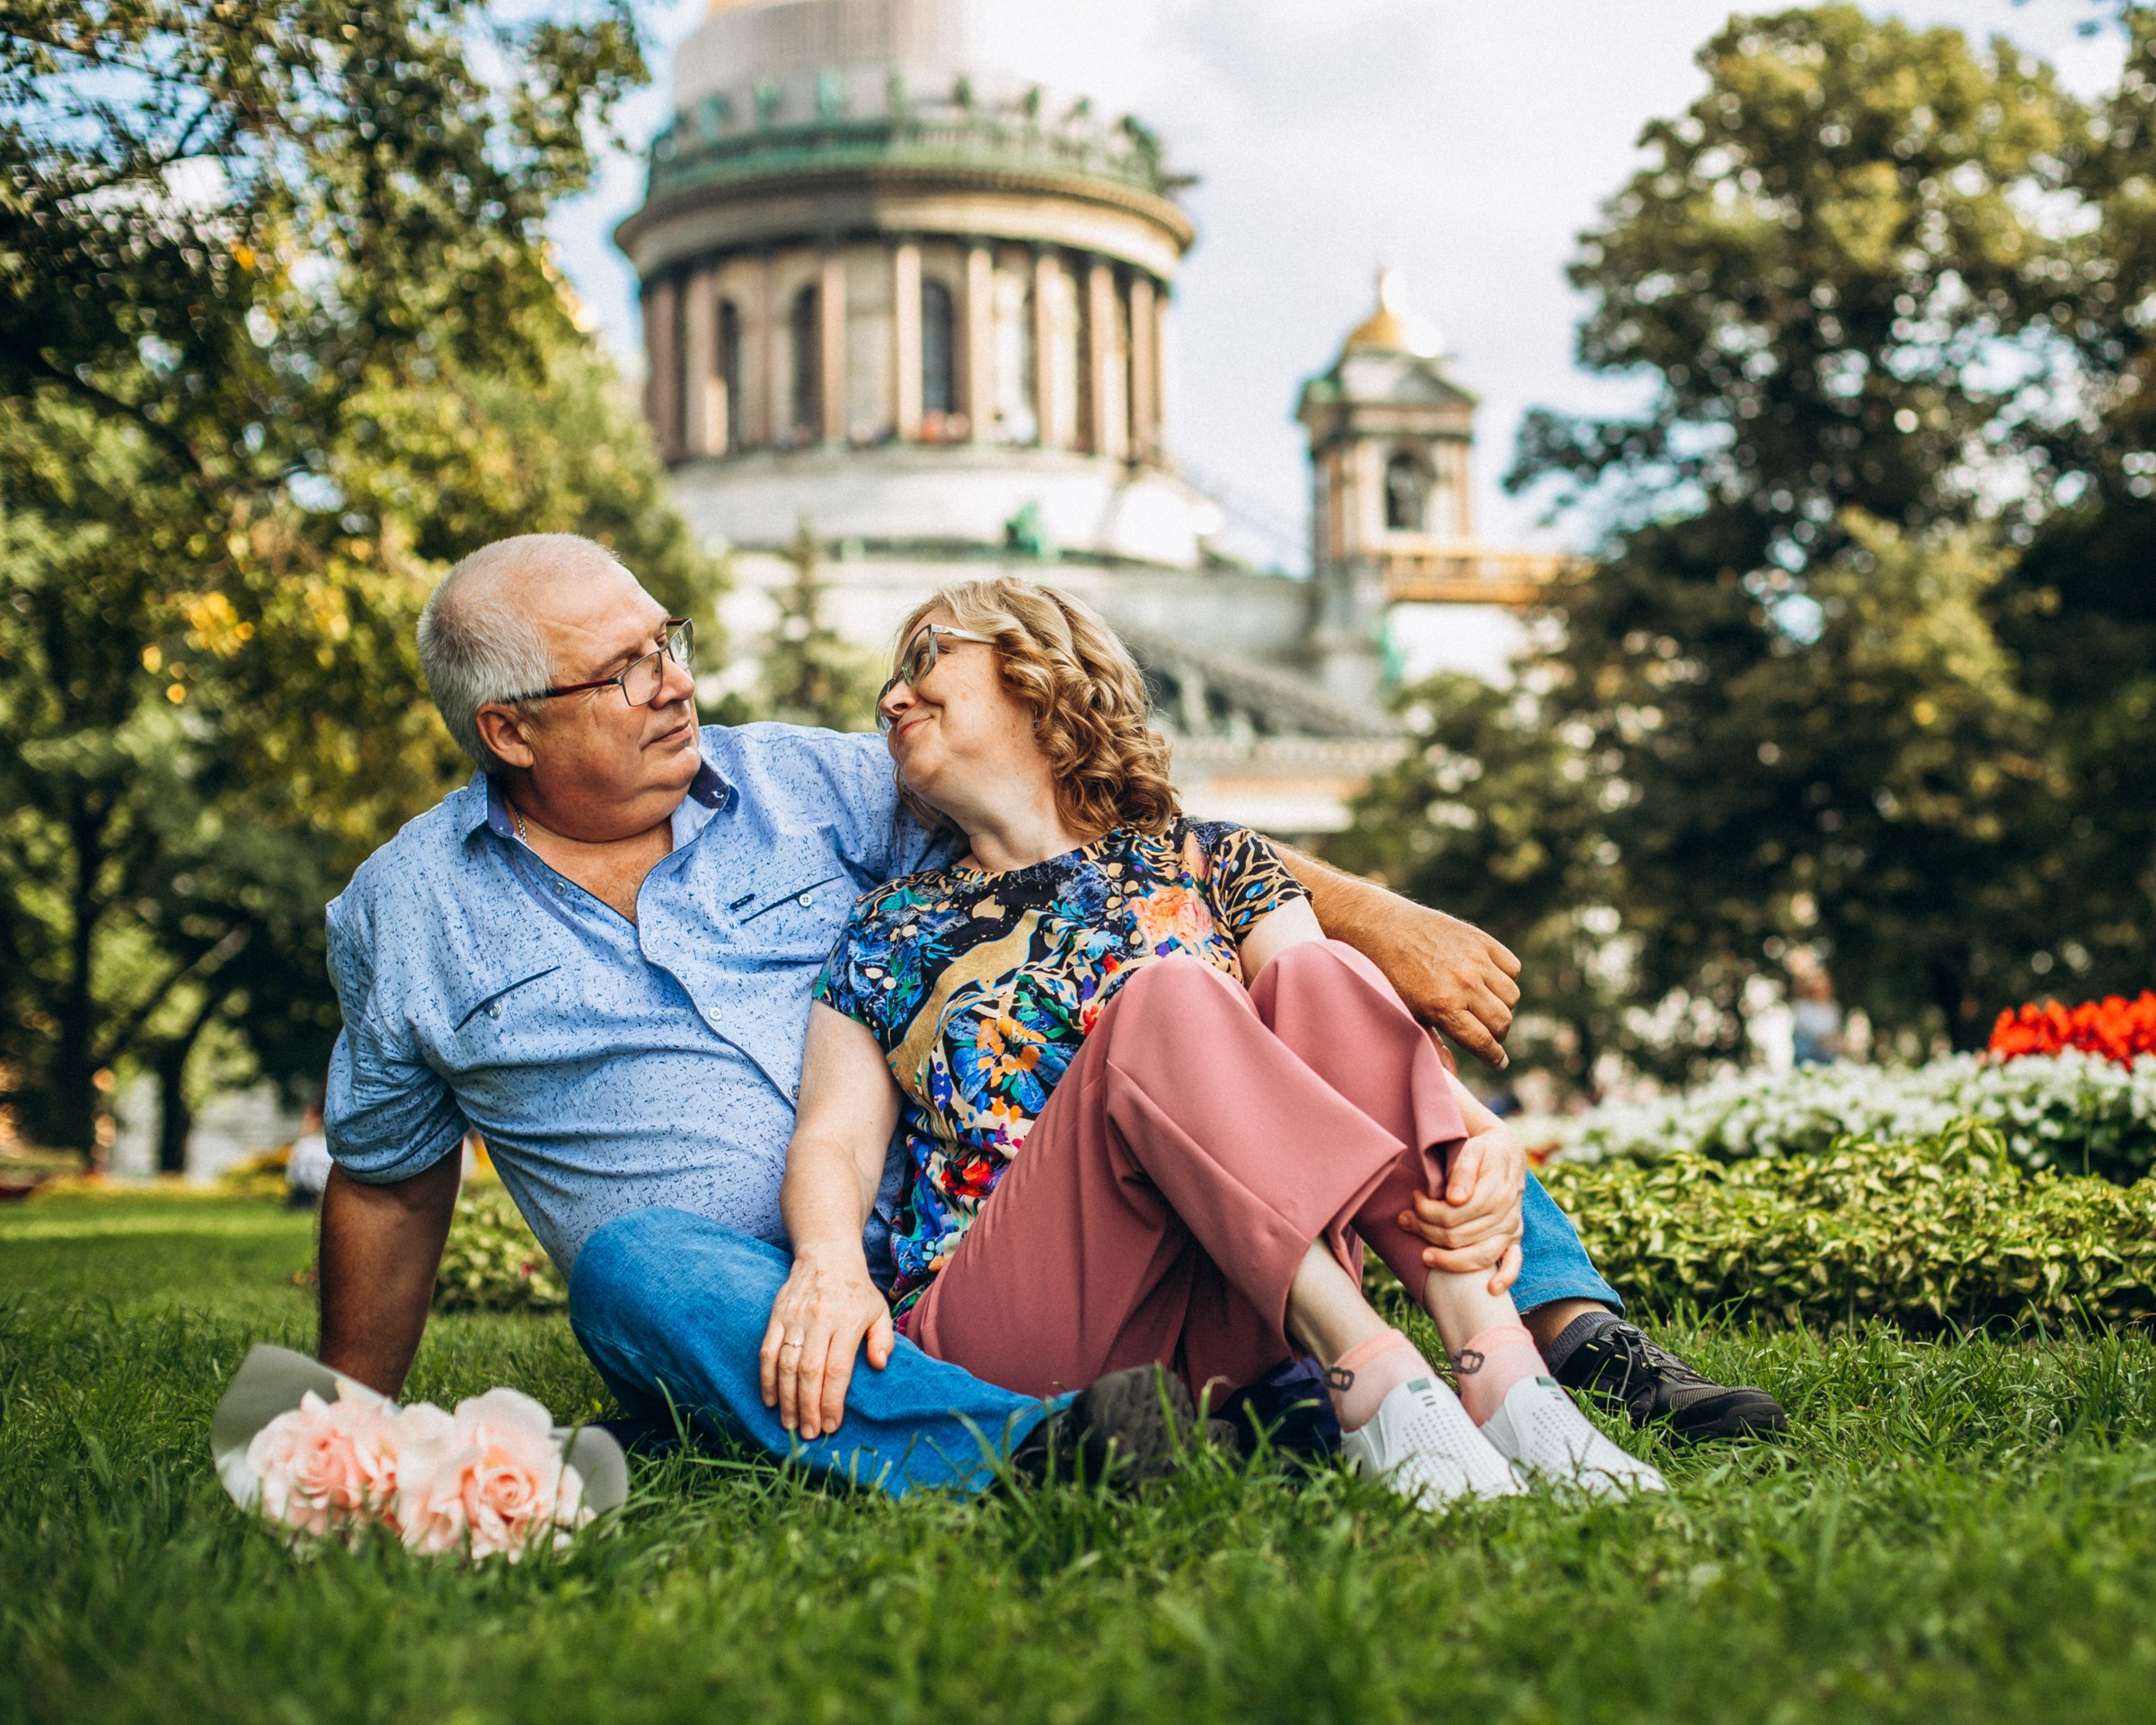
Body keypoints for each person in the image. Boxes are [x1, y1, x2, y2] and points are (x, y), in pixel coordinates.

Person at [315, 534, 1780, 1499]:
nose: (675, 681)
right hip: (751, 1288)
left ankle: (1551, 1341)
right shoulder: (407, 917)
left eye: (669, 637)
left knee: (1282, 981)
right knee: (637, 1267)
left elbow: (1110, 852)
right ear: (510, 728)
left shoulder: (808, 788)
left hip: (1033, 1209)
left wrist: (1366, 913)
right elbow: (386, 1180)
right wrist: (355, 1423)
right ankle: (1043, 1457)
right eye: (622, 671)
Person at [764, 579, 1665, 1504]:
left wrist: (1483, 1133)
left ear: (1034, 672)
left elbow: (1340, 1034)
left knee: (1322, 973)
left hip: (1234, 1310)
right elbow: (833, 1141)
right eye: (892, 680)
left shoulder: (1211, 858)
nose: (891, 698)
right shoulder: (889, 930)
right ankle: (1372, 1376)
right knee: (1168, 1001)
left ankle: (1501, 1373)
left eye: (925, 659)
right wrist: (830, 1266)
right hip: (1019, 1323)